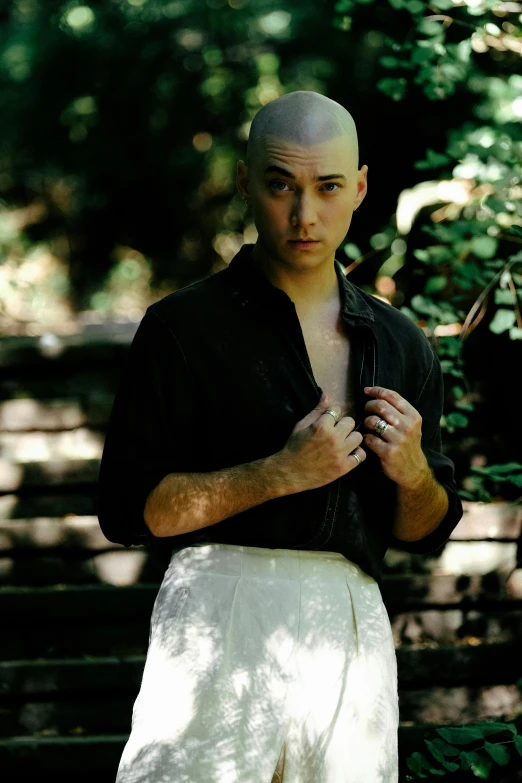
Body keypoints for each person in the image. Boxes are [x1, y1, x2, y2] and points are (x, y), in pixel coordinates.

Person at [97, 90, 463, 783]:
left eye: (327, 188)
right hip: (218, 608)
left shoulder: (400, 342)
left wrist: (414, 473)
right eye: (280, 186)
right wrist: (276, 473)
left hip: (348, 622)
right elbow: (129, 508)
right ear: (245, 182)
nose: (304, 214)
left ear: (358, 187)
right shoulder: (184, 329)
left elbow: (426, 529)